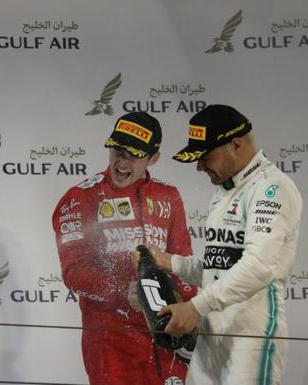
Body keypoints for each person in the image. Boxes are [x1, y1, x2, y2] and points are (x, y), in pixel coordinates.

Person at [142, 104, 302, 385]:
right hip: (210, 338)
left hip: (250, 340)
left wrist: (195, 307)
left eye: (205, 156)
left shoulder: (271, 188)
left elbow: (258, 267)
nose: (199, 166)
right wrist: (171, 262)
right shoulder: (223, 193)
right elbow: (220, 266)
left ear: (236, 144)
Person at [52, 112, 197, 385]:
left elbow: (182, 262)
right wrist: (124, 291)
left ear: (153, 158)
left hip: (169, 336)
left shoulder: (169, 195)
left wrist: (190, 315)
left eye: (134, 155)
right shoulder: (80, 198)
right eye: (118, 151)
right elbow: (74, 272)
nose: (121, 162)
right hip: (111, 341)